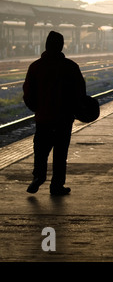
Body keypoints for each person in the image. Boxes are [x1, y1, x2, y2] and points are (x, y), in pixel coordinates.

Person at [23, 31, 86, 195]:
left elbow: (28, 93)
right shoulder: (70, 67)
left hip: (43, 117)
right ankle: (56, 185)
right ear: (61, 46)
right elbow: (80, 92)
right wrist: (74, 110)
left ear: (46, 45)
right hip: (64, 118)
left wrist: (38, 109)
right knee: (60, 152)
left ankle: (38, 176)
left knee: (41, 150)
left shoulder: (36, 66)